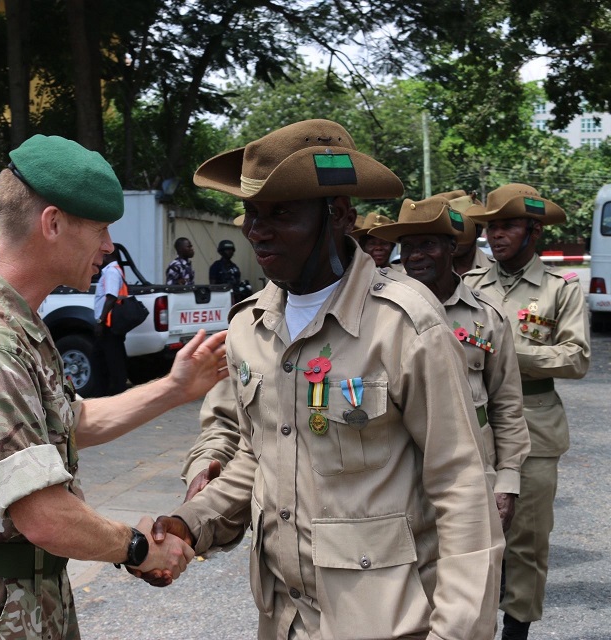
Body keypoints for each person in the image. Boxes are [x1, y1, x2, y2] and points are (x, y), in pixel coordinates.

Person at [145, 119, 504, 640]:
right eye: (252, 213)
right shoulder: (250, 326)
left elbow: (462, 486)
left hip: (387, 621)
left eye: (281, 213)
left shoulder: (403, 324)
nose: (255, 231)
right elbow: (259, 456)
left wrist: (456, 631)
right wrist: (189, 524)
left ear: (338, 214)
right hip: (285, 618)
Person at [0, 134, 229, 640]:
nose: (108, 246)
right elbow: (44, 516)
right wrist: (140, 547)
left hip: (24, 601)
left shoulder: (17, 323)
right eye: (101, 229)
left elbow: (74, 422)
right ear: (53, 223)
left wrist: (175, 388)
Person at [464, 183, 591, 640]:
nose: (495, 235)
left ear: (532, 230)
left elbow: (577, 357)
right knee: (472, 532)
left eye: (506, 226)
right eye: (490, 227)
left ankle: (517, 629)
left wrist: (508, 354)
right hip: (477, 423)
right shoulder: (470, 285)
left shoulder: (559, 290)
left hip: (535, 421)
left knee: (526, 540)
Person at [369, 194, 530, 531]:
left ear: (452, 247)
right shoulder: (377, 311)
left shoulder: (486, 315)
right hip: (397, 470)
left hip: (470, 466)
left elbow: (506, 403)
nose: (415, 256)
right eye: (408, 246)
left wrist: (508, 480)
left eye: (427, 244)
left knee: (475, 569)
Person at [93, 248, 129, 395]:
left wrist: (100, 321)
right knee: (108, 356)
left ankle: (117, 391)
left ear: (108, 255)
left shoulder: (111, 272)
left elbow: (111, 297)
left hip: (109, 323)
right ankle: (109, 389)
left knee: (113, 358)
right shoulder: (114, 270)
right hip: (111, 322)